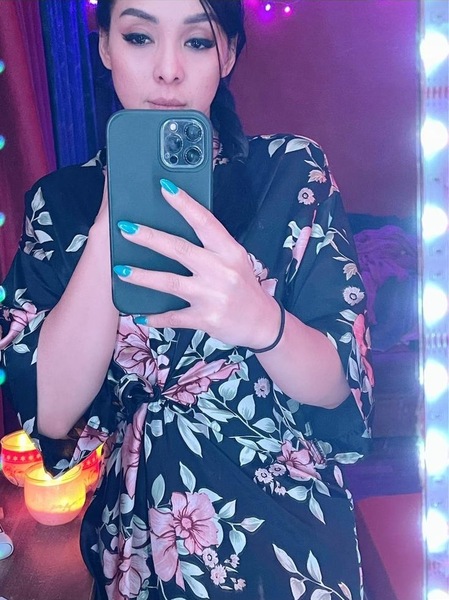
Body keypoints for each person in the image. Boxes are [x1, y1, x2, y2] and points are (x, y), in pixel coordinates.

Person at [0, 1, 374, 598]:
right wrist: (115, 209)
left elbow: (339, 385)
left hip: (283, 530)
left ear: (228, 53)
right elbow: (52, 415)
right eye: (139, 37)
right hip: (139, 536)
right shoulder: (59, 203)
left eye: (197, 42)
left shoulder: (289, 172)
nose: (168, 69)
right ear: (105, 47)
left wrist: (263, 321)